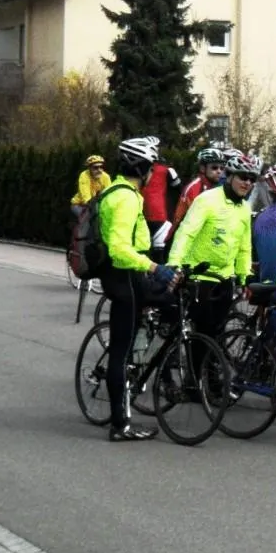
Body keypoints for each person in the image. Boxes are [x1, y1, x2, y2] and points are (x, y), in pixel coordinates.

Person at [96, 137, 182, 442]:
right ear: (142, 167)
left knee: (171, 302)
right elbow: (120, 248)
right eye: (151, 167)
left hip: (127, 276)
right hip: (124, 278)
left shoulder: (117, 191)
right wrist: (155, 269)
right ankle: (121, 424)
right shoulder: (127, 198)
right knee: (120, 351)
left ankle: (144, 352)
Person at [168, 150, 255, 373]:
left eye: (252, 179)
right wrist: (174, 264)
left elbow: (244, 246)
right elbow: (186, 232)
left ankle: (209, 377)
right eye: (243, 177)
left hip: (224, 277)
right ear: (230, 175)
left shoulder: (244, 208)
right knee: (202, 333)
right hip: (199, 276)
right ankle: (195, 382)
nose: (248, 183)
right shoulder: (206, 200)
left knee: (217, 331)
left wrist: (244, 276)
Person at [139, 154, 181, 262]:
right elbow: (178, 186)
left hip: (140, 216)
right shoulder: (167, 170)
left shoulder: (141, 169)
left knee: (142, 254)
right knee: (160, 258)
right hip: (160, 217)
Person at [172, 147, 225, 232]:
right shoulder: (195, 188)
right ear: (202, 168)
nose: (219, 171)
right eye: (214, 167)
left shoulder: (214, 186)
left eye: (222, 168)